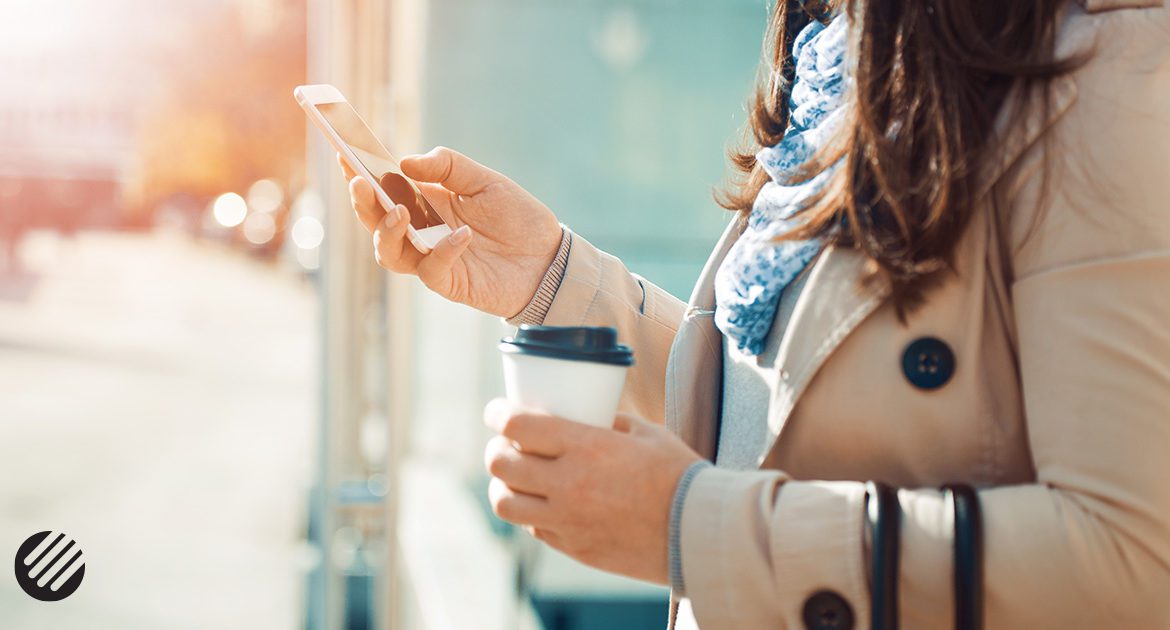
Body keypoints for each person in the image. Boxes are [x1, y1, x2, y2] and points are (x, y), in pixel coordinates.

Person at [342, 0, 1170, 627]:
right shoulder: (835, 67)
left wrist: (695, 527)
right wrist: (552, 279)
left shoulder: (1107, 71)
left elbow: (1135, 562)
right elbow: (775, 417)